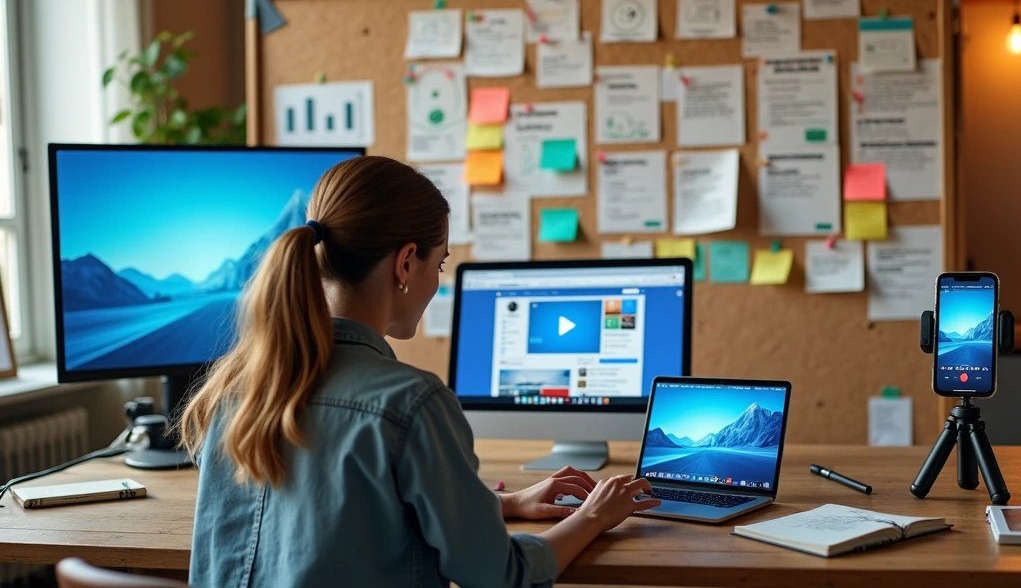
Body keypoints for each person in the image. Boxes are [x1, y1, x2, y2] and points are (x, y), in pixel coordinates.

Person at [179, 156, 660, 588]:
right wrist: (593, 516)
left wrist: (505, 503)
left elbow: (347, 520)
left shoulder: (235, 387)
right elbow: (501, 576)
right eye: (441, 263)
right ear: (406, 263)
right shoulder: (411, 403)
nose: (437, 280)